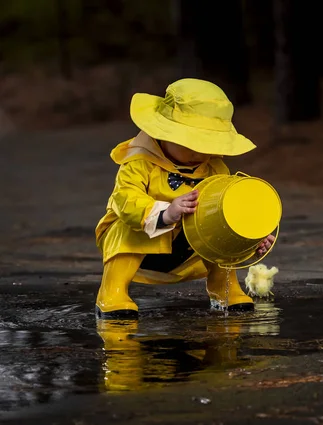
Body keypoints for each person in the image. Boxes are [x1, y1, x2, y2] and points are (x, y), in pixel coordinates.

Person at [94, 78, 274, 319]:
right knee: (125, 227)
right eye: (192, 143)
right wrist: (165, 213)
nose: (200, 152)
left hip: (189, 249)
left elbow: (231, 212)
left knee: (220, 228)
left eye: (208, 144)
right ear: (163, 132)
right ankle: (112, 292)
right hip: (141, 249)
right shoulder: (138, 163)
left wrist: (250, 241)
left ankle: (223, 288)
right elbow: (125, 199)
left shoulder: (215, 169)